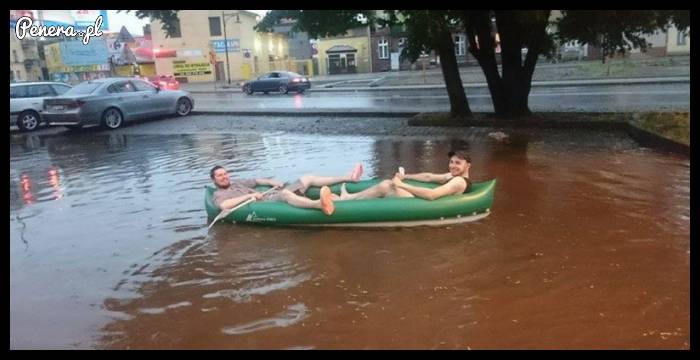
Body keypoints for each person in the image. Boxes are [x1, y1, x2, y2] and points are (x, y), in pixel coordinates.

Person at [210, 163, 363, 216]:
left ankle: (348, 177)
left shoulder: (237, 182)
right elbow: (224, 206)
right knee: (285, 194)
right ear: (214, 179)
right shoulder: (219, 194)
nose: (224, 177)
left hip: (272, 194)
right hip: (265, 203)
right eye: (220, 176)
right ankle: (318, 204)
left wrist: (271, 182)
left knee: (308, 177)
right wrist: (250, 196)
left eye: (225, 174)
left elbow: (256, 180)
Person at [339, 150, 472, 201]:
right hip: (423, 200)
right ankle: (349, 197)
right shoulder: (451, 175)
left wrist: (401, 184)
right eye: (451, 162)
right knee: (387, 184)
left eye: (458, 163)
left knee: (386, 185)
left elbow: (432, 195)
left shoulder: (459, 181)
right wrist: (406, 176)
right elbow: (429, 177)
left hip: (425, 204)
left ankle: (348, 199)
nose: (453, 165)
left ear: (468, 166)